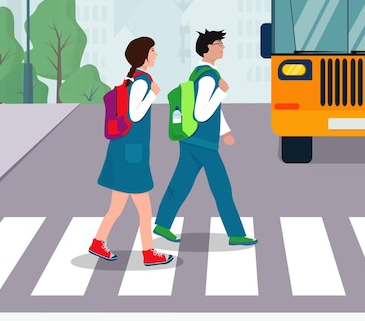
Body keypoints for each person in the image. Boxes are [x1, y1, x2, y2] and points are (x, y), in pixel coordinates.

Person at [153, 29, 257, 247]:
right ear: (207, 48)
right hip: (204, 143)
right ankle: (236, 233)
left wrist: (225, 131)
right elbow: (201, 113)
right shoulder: (210, 77)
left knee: (180, 183)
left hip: (190, 138)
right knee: (222, 188)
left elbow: (213, 110)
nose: (223, 47)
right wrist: (222, 91)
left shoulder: (197, 73)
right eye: (219, 44)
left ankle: (163, 223)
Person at [88, 36, 173, 266]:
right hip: (132, 152)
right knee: (144, 208)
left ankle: (98, 242)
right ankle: (148, 252)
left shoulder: (131, 78)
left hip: (124, 148)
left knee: (116, 206)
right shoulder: (143, 81)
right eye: (153, 50)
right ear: (143, 55)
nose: (156, 54)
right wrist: (153, 93)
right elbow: (134, 115)